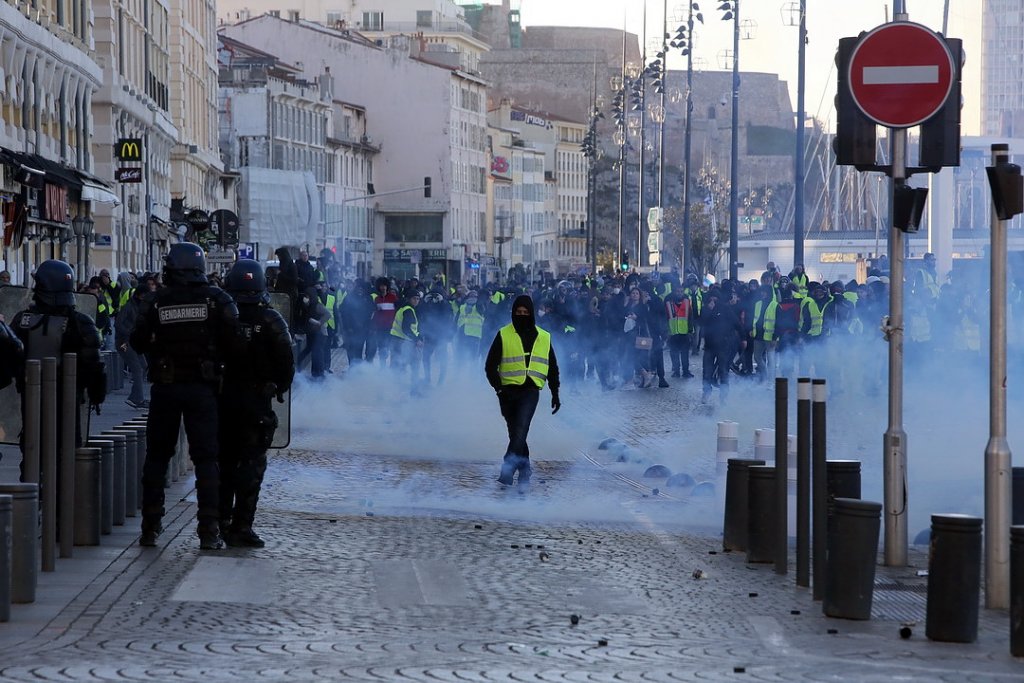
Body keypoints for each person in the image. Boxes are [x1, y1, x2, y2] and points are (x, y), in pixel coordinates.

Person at [130, 243, 240, 550]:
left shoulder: (155, 301)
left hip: (165, 388)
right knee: (206, 459)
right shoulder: (217, 300)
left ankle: (150, 527)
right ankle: (209, 530)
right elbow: (235, 344)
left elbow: (136, 341)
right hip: (203, 390)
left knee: (156, 458)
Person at [219, 260, 295, 547]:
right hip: (256, 402)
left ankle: (219, 523)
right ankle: (241, 526)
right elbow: (287, 360)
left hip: (224, 399)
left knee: (223, 464)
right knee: (251, 467)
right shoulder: (271, 319)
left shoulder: (223, 317)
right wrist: (278, 387)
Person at [11, 260, 106, 481]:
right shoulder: (81, 323)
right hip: (68, 401)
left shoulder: (23, 321)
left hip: (32, 401)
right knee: (67, 455)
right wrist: (97, 395)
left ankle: (32, 503)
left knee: (33, 453)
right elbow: (95, 365)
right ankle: (60, 506)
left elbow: (11, 358)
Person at [484, 295, 561, 490]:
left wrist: (555, 392)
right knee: (516, 434)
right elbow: (490, 365)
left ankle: (507, 468)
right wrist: (499, 388)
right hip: (507, 391)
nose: (522, 315)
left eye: (525, 313)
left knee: (521, 429)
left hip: (530, 390)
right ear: (513, 313)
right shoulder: (503, 334)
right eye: (518, 312)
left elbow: (552, 367)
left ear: (532, 313)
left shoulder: (544, 337)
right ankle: (525, 469)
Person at [115, 274, 154, 409]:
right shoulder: (128, 307)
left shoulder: (140, 306)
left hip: (133, 342)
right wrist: (130, 333)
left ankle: (135, 396)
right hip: (124, 343)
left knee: (143, 366)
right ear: (139, 295)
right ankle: (137, 399)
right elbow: (118, 325)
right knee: (137, 369)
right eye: (145, 296)